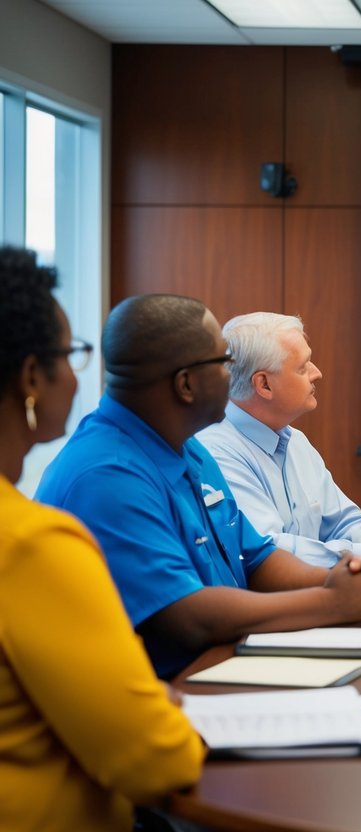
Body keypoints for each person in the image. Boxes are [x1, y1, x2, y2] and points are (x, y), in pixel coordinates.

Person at [37, 294, 361, 679]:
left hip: (219, 664)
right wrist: (330, 602)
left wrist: (350, 579)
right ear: (186, 384)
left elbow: (256, 559)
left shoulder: (188, 447)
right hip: (168, 689)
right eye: (224, 363)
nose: (233, 374)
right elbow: (189, 616)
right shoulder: (106, 474)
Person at [0, 247, 203, 830]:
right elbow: (158, 760)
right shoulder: (35, 546)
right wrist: (154, 702)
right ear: (31, 377)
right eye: (71, 355)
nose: (80, 372)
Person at [197, 312, 361, 569]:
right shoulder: (214, 451)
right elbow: (268, 551)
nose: (317, 373)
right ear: (264, 384)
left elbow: (347, 521)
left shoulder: (295, 440)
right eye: (303, 367)